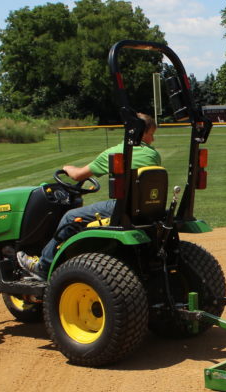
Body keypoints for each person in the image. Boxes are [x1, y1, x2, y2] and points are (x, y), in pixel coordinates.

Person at [17, 113, 159, 278]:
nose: (153, 140)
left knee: (70, 217)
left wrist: (67, 168)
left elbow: (78, 175)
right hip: (143, 207)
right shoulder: (153, 155)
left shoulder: (114, 153)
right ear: (141, 133)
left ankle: (42, 265)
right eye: (152, 135)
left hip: (121, 207)